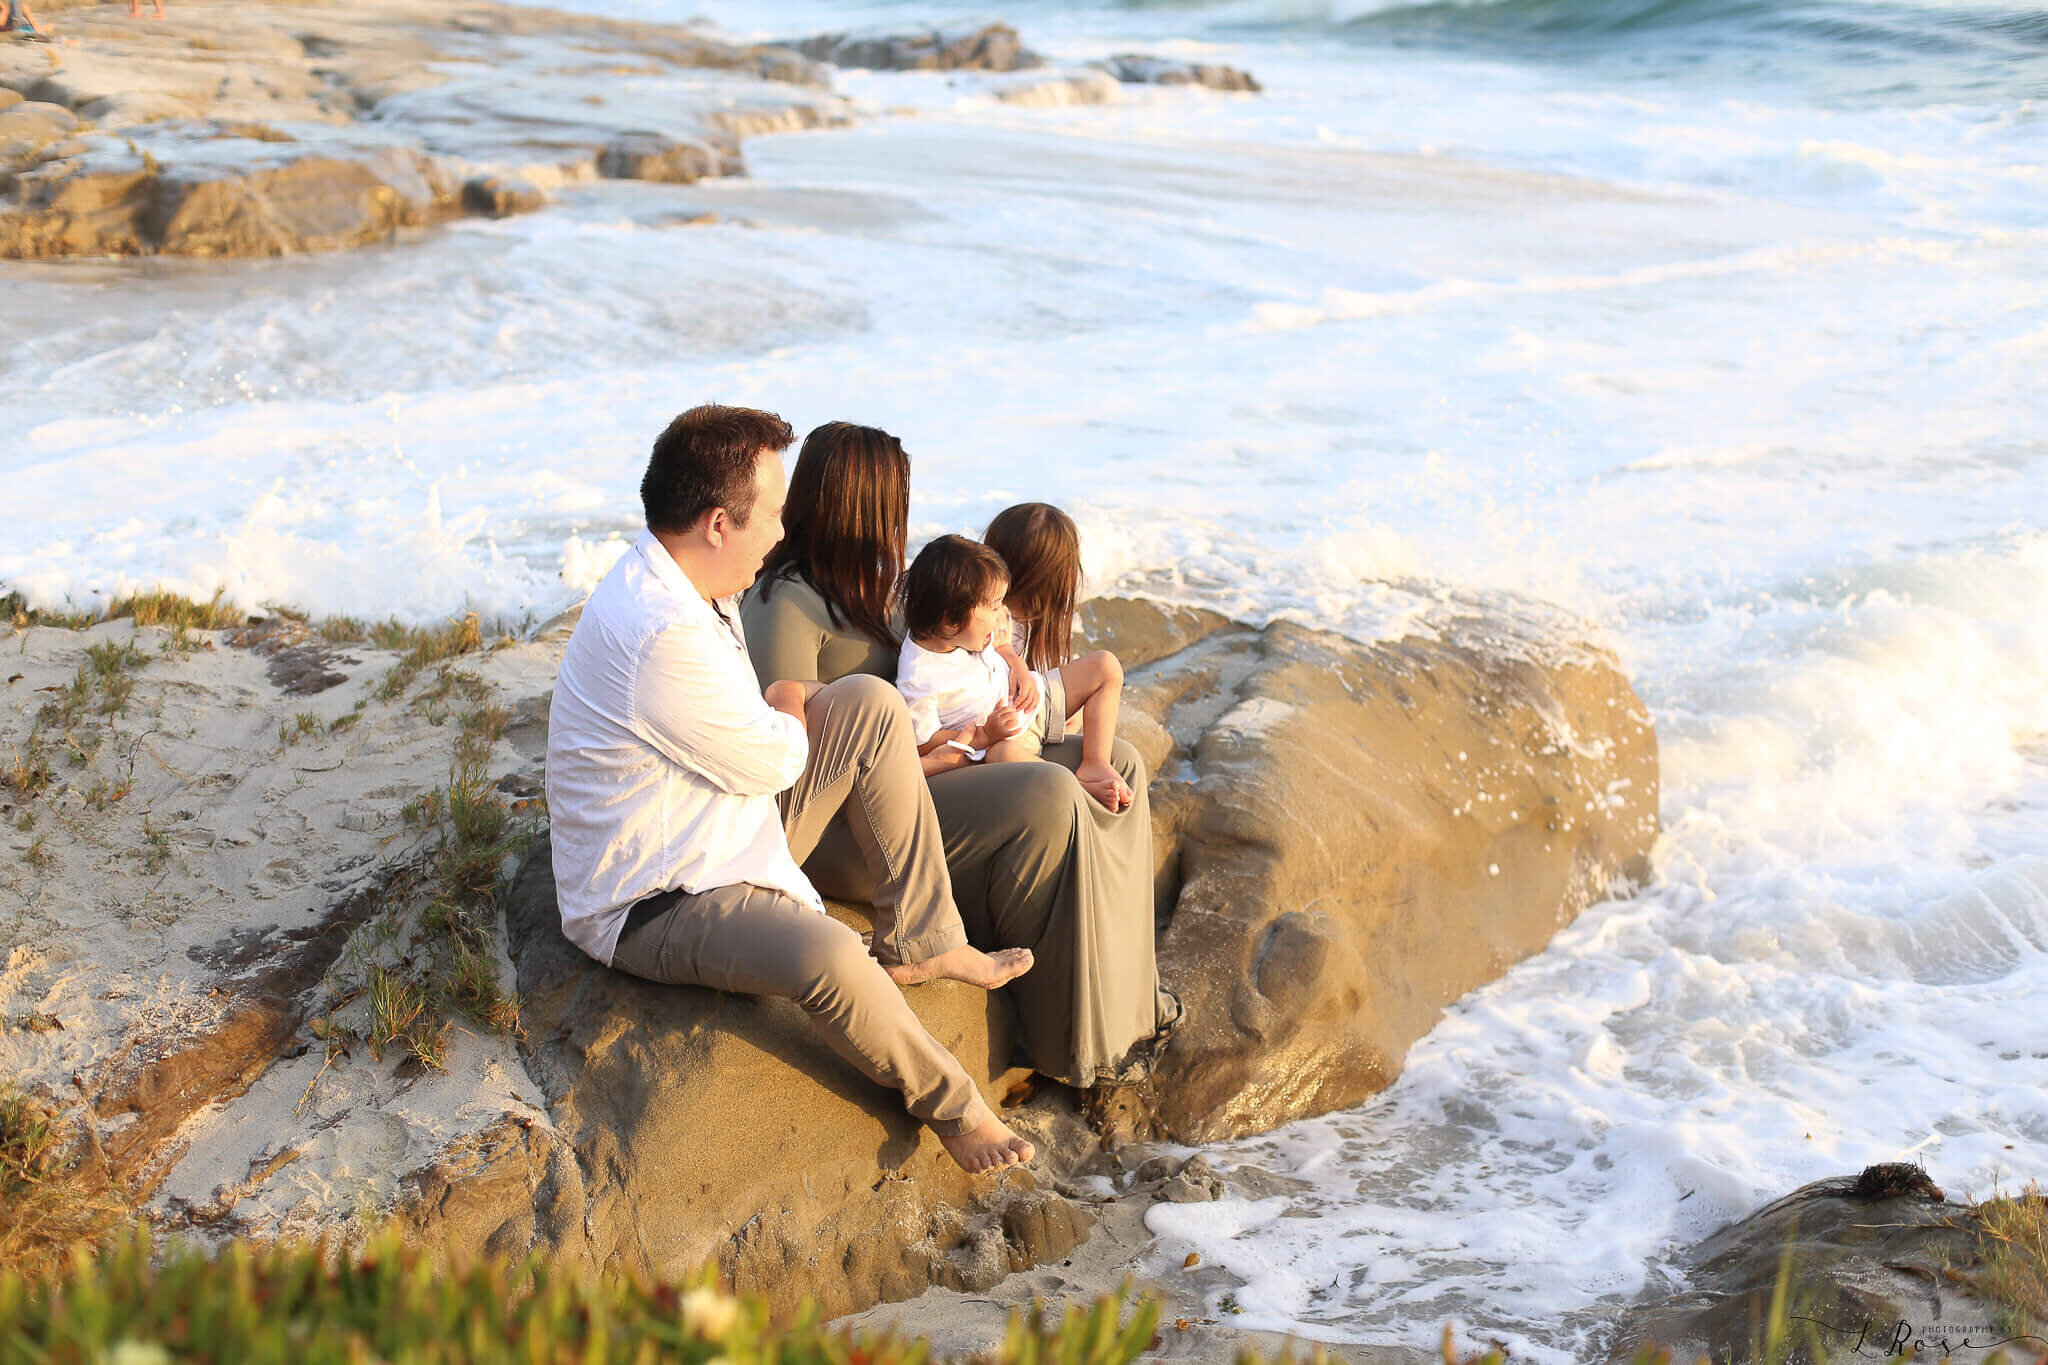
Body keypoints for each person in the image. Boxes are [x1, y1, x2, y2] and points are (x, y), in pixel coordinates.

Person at [545, 403, 1037, 1173]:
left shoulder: (692, 583)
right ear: (717, 523)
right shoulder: (660, 630)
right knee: (830, 954)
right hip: (656, 894)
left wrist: (787, 705)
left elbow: (764, 742)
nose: (781, 531)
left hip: (713, 825)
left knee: (872, 704)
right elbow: (775, 762)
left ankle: (926, 937)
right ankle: (958, 1108)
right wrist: (784, 703)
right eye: (771, 514)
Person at [742, 422, 1179, 1090]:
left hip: (933, 764)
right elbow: (795, 754)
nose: (901, 521)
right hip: (856, 819)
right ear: (861, 507)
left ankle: (1128, 1001)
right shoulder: (786, 602)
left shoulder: (869, 587)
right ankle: (1065, 1038)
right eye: (894, 505)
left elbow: (948, 654)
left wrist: (1003, 660)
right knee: (1047, 792)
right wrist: (931, 756)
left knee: (1117, 761)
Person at [893, 533, 1133, 813]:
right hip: (1002, 740)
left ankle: (1096, 763)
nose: (1000, 616)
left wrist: (1018, 666)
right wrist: (985, 734)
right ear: (950, 622)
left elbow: (1001, 644)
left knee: (1105, 666)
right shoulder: (918, 676)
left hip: (1033, 699)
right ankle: (1081, 789)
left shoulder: (965, 632)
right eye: (994, 608)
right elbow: (924, 743)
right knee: (1002, 755)